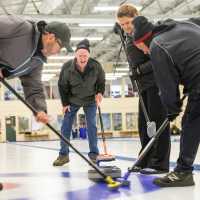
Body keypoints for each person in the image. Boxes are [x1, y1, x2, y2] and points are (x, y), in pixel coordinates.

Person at [0, 15, 71, 190]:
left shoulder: (36, 61)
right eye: (59, 47)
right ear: (50, 36)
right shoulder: (22, 28)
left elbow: (34, 88)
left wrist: (40, 110)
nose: (57, 51)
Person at [132, 15, 200, 187]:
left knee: (191, 123)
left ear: (142, 41)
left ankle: (183, 172)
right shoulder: (180, 25)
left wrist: (172, 109)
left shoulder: (157, 46)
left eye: (141, 48)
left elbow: (167, 86)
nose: (143, 52)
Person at [115, 4, 171, 174]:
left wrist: (140, 70)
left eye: (128, 22)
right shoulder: (128, 34)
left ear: (136, 17)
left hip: (155, 83)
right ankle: (145, 159)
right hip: (143, 85)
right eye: (122, 24)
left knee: (158, 122)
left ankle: (159, 163)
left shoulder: (147, 32)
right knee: (144, 124)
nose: (126, 27)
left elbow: (157, 57)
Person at [53, 39, 105, 166]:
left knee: (92, 126)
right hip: (72, 100)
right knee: (65, 126)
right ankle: (63, 155)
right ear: (76, 55)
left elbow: (101, 82)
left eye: (85, 56)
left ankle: (94, 154)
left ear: (89, 55)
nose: (83, 58)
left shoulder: (96, 66)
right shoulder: (67, 67)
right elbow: (62, 86)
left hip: (90, 100)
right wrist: (65, 104)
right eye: (80, 55)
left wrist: (100, 93)